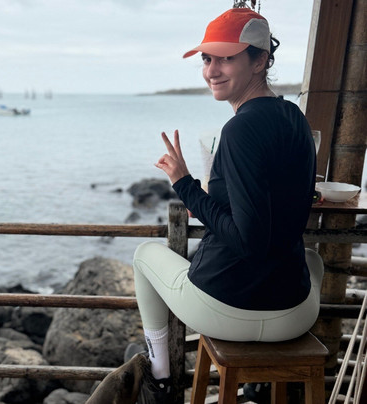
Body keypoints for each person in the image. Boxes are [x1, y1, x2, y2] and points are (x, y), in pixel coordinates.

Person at [130, 6, 323, 402]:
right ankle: (261, 384)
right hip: (293, 315)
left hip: (224, 309)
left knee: (144, 255)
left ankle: (160, 379)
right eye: (207, 59)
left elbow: (250, 241)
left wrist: (185, 185)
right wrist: (209, 197)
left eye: (226, 58)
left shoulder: (239, 129)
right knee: (313, 260)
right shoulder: (296, 120)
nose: (211, 71)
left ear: (260, 61)